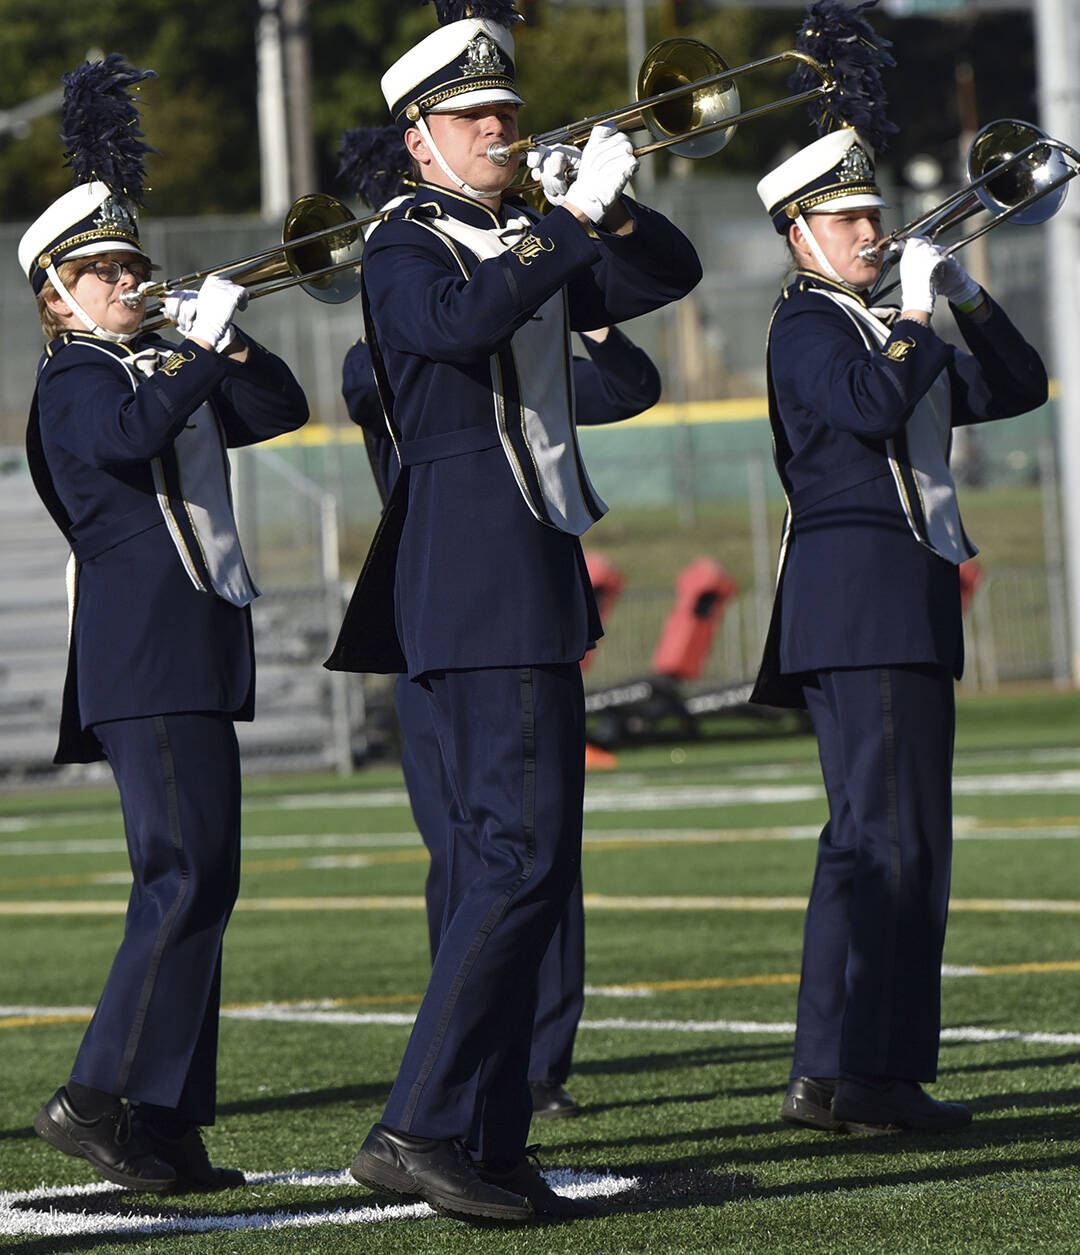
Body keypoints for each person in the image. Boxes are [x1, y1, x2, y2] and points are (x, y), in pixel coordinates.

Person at [326, 0, 700, 1224]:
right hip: (473, 575)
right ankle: (424, 1123)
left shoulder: (516, 230)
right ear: (419, 138)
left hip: (525, 574)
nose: (501, 130)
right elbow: (455, 325)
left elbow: (668, 277)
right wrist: (561, 220)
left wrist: (615, 209)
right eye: (476, 116)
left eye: (508, 113)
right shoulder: (405, 242)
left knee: (526, 866)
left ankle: (482, 1136)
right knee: (518, 858)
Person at [20, 56, 309, 1193]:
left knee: (207, 880)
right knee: (180, 876)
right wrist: (190, 351)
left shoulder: (152, 361)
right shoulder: (73, 381)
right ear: (54, 294)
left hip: (192, 646)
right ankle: (97, 1096)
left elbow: (276, 409)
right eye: (103, 270)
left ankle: (166, 1119)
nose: (129, 278)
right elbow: (128, 437)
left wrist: (224, 339)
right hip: (139, 655)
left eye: (134, 262)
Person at [750, 125, 1048, 1134]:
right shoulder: (811, 325)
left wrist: (962, 296)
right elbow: (874, 405)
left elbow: (1017, 386)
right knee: (898, 844)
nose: (872, 231)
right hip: (862, 603)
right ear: (799, 234)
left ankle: (827, 1070)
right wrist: (915, 310)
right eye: (846, 220)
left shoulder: (880, 326)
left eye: (872, 213)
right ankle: (878, 1076)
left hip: (893, 601)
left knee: (864, 844)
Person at [343, 323, 662, 1124]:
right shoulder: (384, 355)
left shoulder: (525, 366)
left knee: (540, 851)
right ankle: (465, 1060)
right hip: (440, 623)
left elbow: (628, 387)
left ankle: (536, 1062)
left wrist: (586, 319)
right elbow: (373, 386)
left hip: (519, 609)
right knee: (469, 853)